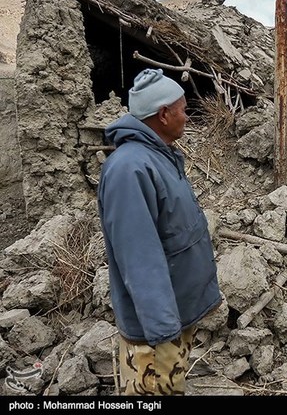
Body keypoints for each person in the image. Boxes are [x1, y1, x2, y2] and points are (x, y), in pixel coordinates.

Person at [97, 68, 222, 396]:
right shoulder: (130, 170)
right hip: (155, 336)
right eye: (182, 109)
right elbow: (140, 262)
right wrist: (164, 334)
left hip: (174, 320)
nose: (187, 116)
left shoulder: (159, 157)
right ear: (163, 115)